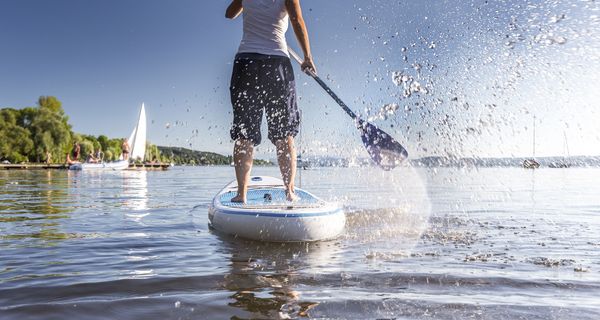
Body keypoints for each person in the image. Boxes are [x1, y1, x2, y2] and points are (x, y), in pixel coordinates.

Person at [226, 0, 316, 203]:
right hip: (276, 64)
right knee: (284, 134)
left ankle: (241, 194)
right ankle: (290, 192)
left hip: (246, 64)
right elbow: (296, 20)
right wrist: (307, 57)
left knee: (244, 133)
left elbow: (230, 14)